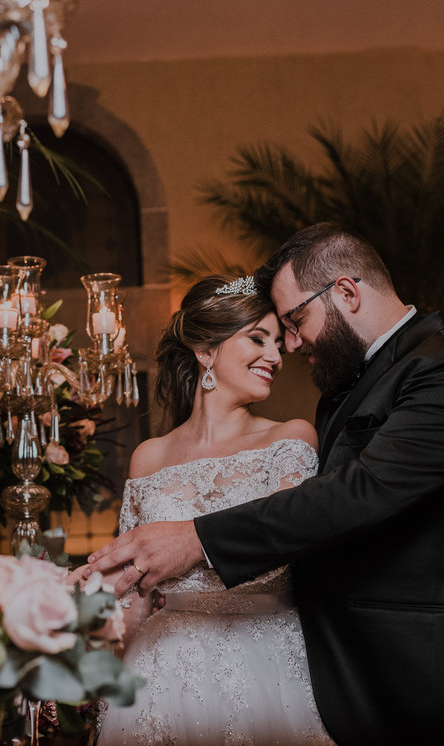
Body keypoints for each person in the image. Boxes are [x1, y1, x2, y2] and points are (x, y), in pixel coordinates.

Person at [84, 223, 444, 746]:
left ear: (346, 292)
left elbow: (358, 493)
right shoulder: (347, 391)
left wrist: (195, 539)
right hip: (345, 677)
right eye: (271, 333)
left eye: (294, 323)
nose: (290, 347)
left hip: (438, 679)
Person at [97, 274, 334, 745]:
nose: (276, 355)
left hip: (262, 662)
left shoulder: (289, 439)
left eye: (278, 343)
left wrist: (183, 549)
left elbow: (283, 554)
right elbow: (132, 585)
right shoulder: (149, 456)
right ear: (205, 352)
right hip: (156, 670)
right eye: (257, 339)